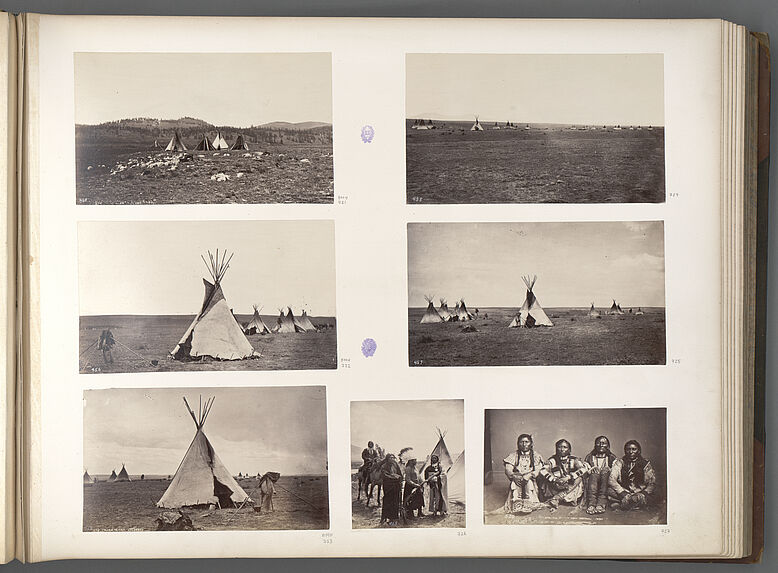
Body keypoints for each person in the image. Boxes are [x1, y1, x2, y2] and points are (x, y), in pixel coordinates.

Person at [608, 440, 658, 510]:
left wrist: (643, 493)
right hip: (624, 491)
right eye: (628, 449)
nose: (631, 452)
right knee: (608, 490)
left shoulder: (645, 464)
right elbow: (611, 479)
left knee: (657, 492)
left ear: (639, 451)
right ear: (625, 451)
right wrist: (622, 492)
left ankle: (623, 504)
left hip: (640, 491)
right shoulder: (619, 463)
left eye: (634, 449)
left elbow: (652, 482)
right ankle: (635, 504)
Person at [541, 439, 590, 510]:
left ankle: (557, 498)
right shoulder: (552, 460)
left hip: (570, 486)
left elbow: (583, 469)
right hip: (556, 486)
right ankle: (556, 498)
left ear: (569, 450)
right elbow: (543, 470)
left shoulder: (574, 460)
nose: (562, 449)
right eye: (560, 447)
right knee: (545, 478)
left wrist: (569, 477)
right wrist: (555, 479)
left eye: (565, 447)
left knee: (579, 478)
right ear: (556, 449)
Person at [503, 434, 546, 514]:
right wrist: (513, 476)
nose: (524, 444)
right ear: (518, 444)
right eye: (521, 442)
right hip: (518, 479)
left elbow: (538, 470)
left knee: (529, 483)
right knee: (514, 482)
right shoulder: (514, 455)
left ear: (531, 443)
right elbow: (508, 469)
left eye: (526, 442)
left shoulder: (536, 456)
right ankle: (516, 504)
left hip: (531, 481)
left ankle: (529, 503)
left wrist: (529, 475)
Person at [582, 436, 617, 514]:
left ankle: (601, 503)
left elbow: (616, 472)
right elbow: (584, 469)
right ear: (595, 445)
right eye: (599, 443)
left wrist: (609, 470)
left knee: (605, 473)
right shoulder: (589, 457)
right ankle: (591, 503)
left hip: (606, 480)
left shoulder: (612, 458)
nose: (601, 445)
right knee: (594, 474)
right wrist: (591, 470)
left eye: (604, 443)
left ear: (608, 446)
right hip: (592, 480)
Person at [380, 454, 403, 526]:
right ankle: (385, 517)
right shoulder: (384, 466)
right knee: (387, 501)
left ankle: (394, 518)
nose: (392, 459)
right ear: (387, 459)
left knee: (395, 502)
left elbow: (400, 474)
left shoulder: (395, 465)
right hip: (388, 487)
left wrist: (399, 479)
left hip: (396, 486)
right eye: (390, 458)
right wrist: (394, 476)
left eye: (393, 458)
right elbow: (385, 475)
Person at [403, 454, 425, 519]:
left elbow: (418, 476)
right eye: (414, 460)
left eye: (416, 460)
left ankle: (420, 512)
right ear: (410, 461)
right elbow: (408, 479)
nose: (416, 462)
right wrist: (415, 485)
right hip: (410, 487)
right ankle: (410, 515)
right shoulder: (408, 468)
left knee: (419, 499)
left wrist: (421, 482)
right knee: (410, 501)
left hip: (417, 486)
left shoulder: (415, 468)